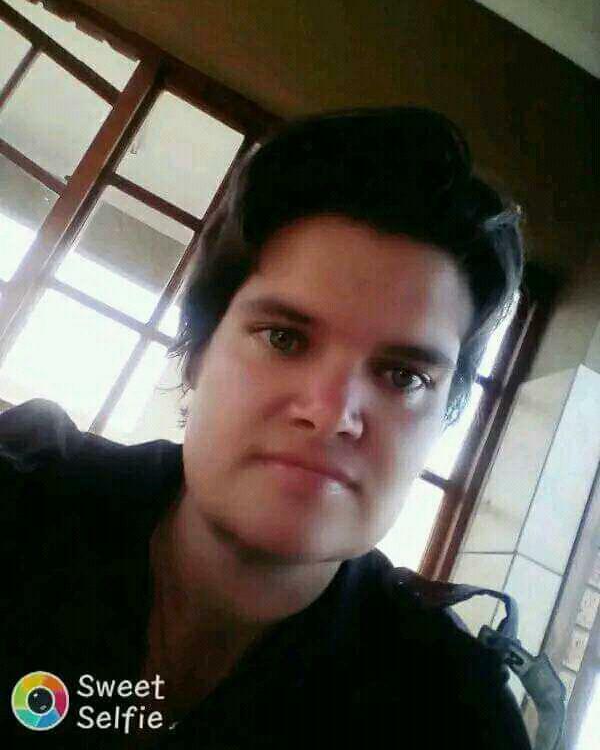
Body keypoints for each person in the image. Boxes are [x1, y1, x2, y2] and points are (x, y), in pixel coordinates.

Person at [1, 107, 532, 748]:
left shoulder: (454, 719)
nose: (331, 413)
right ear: (198, 353)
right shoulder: (22, 494)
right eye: (284, 338)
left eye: (403, 376)